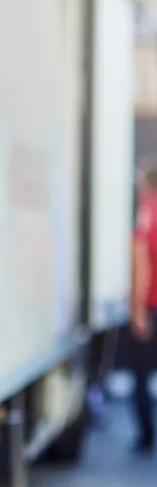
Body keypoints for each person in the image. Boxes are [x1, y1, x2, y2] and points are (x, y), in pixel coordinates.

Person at [129, 162, 157, 453]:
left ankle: (146, 437)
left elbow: (142, 263)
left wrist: (137, 310)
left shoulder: (147, 212)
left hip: (151, 307)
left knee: (143, 377)